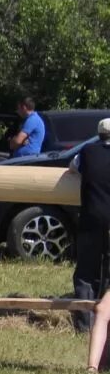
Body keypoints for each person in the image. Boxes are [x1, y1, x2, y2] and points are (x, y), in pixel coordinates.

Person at [69, 117, 110, 317]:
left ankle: (85, 321)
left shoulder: (87, 152)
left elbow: (73, 167)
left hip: (91, 218)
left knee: (86, 272)